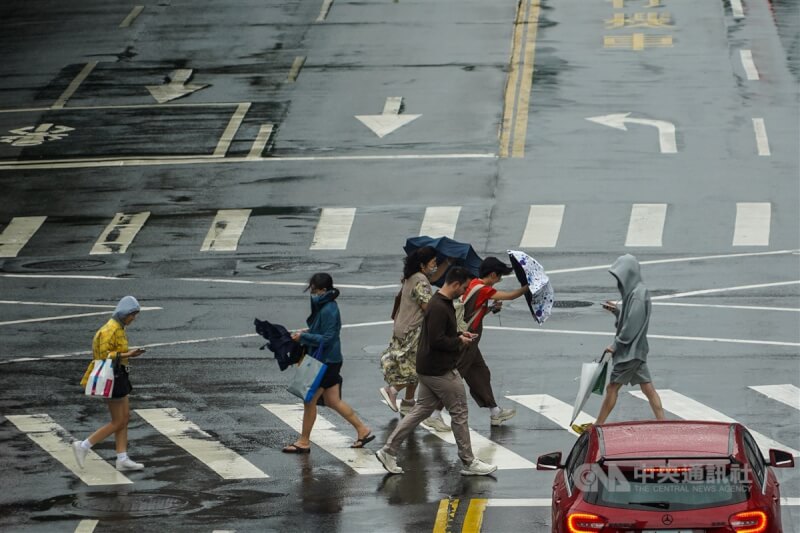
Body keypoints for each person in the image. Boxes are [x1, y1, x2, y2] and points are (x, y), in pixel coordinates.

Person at [375, 267, 497, 476]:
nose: (465, 292)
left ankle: (388, 450)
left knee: (420, 411)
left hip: (427, 368)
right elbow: (437, 340)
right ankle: (468, 462)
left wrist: (459, 332)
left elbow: (440, 333)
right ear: (456, 284)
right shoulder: (439, 307)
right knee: (459, 413)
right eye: (465, 287)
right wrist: (459, 340)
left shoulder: (440, 303)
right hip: (441, 370)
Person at [423, 257, 528, 430]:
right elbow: (511, 295)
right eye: (499, 277)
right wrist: (529, 287)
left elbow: (472, 312)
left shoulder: (472, 285)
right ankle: (434, 414)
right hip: (466, 341)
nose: (499, 281)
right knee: (454, 378)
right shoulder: (484, 289)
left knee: (480, 373)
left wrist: (490, 309)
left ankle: (495, 411)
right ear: (493, 274)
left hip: (470, 340)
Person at [283, 273, 374, 453]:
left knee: (310, 400)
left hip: (325, 361)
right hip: (330, 360)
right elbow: (322, 331)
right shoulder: (324, 306)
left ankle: (304, 441)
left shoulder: (329, 309)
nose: (313, 293)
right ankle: (362, 430)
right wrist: (306, 332)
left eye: (315, 290)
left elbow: (329, 337)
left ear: (324, 290)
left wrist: (304, 337)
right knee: (333, 401)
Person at [582, 254, 665, 431]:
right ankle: (662, 423)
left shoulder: (637, 296)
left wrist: (616, 345)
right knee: (648, 389)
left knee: (612, 388)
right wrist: (617, 311)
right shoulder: (637, 292)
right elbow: (629, 320)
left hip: (629, 353)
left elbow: (631, 327)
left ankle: (599, 425)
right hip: (637, 351)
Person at [73, 296, 147, 471]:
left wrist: (128, 354)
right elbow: (104, 355)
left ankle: (122, 458)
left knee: (125, 418)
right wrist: (129, 354)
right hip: (112, 377)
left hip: (120, 375)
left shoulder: (119, 327)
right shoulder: (110, 330)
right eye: (132, 315)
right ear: (124, 313)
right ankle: (83, 446)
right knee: (118, 421)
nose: (133, 319)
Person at [378, 246, 448, 416]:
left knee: (411, 366)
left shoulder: (412, 277)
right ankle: (392, 390)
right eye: (433, 263)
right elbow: (427, 307)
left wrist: (446, 264)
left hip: (402, 327)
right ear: (423, 265)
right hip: (414, 331)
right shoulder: (421, 281)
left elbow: (431, 278)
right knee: (418, 368)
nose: (435, 266)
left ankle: (409, 403)